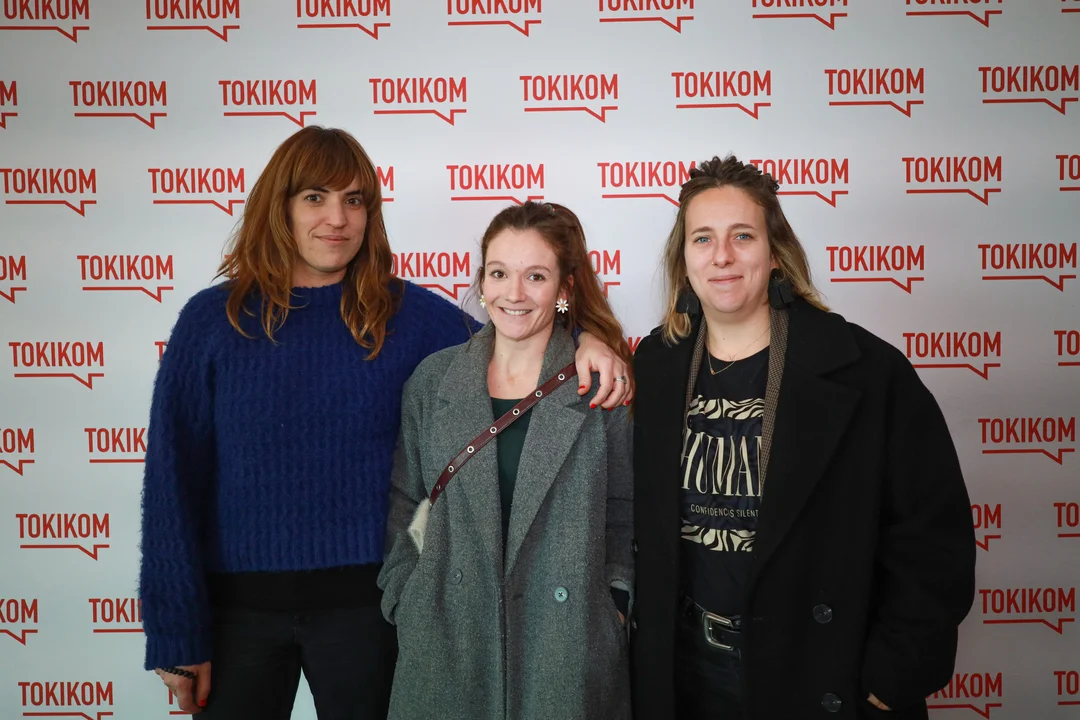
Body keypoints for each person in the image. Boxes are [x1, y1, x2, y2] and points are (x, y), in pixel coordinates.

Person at [138, 127, 632, 719]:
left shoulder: (412, 317)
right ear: (279, 206)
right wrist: (175, 629)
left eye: (354, 200)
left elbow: (520, 333)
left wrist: (589, 340)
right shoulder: (211, 323)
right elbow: (171, 484)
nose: (337, 219)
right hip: (235, 618)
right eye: (315, 197)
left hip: (365, 617)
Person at [629, 155, 976, 719]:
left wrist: (896, 672)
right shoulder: (654, 365)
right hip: (684, 668)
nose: (722, 255)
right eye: (703, 238)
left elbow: (934, 534)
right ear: (684, 259)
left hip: (816, 668)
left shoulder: (865, 370)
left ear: (775, 253)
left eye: (743, 235)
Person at [377, 201, 634, 720]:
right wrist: (406, 597)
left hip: (566, 646)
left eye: (535, 276)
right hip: (445, 643)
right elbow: (406, 502)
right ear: (481, 281)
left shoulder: (600, 384)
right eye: (498, 273)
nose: (513, 293)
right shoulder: (433, 380)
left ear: (564, 288)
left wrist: (615, 606)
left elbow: (624, 510)